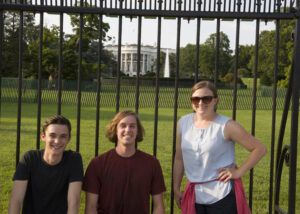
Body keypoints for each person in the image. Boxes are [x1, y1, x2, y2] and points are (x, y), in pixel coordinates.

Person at [173, 81, 267, 214]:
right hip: (195, 196)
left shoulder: (226, 125)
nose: (200, 103)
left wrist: (238, 172)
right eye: (196, 99)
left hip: (222, 195)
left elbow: (260, 149)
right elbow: (179, 158)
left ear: (215, 100)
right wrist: (176, 188)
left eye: (206, 98)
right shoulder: (183, 123)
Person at [83, 110, 166, 214]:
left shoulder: (152, 163)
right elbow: (91, 207)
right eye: (123, 126)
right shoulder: (97, 164)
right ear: (115, 130)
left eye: (132, 126)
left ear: (137, 131)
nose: (128, 130)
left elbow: (159, 206)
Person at [8, 115, 83, 214]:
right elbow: (16, 200)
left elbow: (74, 202)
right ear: (43, 137)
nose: (57, 141)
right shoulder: (29, 158)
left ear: (69, 139)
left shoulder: (74, 159)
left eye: (63, 136)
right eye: (52, 135)